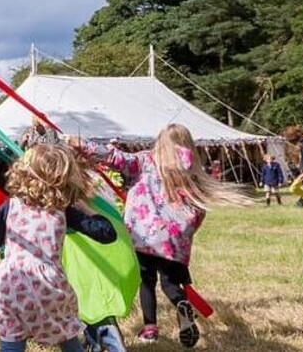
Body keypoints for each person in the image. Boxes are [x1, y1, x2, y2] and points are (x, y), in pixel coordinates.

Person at [104, 124, 251, 348]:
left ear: (160, 142)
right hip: (173, 242)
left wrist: (81, 146)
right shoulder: (191, 169)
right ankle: (181, 302)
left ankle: (150, 328)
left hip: (144, 237)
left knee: (146, 282)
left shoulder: (146, 160)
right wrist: (186, 233)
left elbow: (116, 158)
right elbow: (198, 212)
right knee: (170, 284)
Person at [0, 144, 117, 352]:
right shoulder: (62, 210)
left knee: (11, 340)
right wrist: (87, 210)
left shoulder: (11, 206)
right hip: (48, 287)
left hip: (10, 285)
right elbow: (107, 234)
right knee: (67, 336)